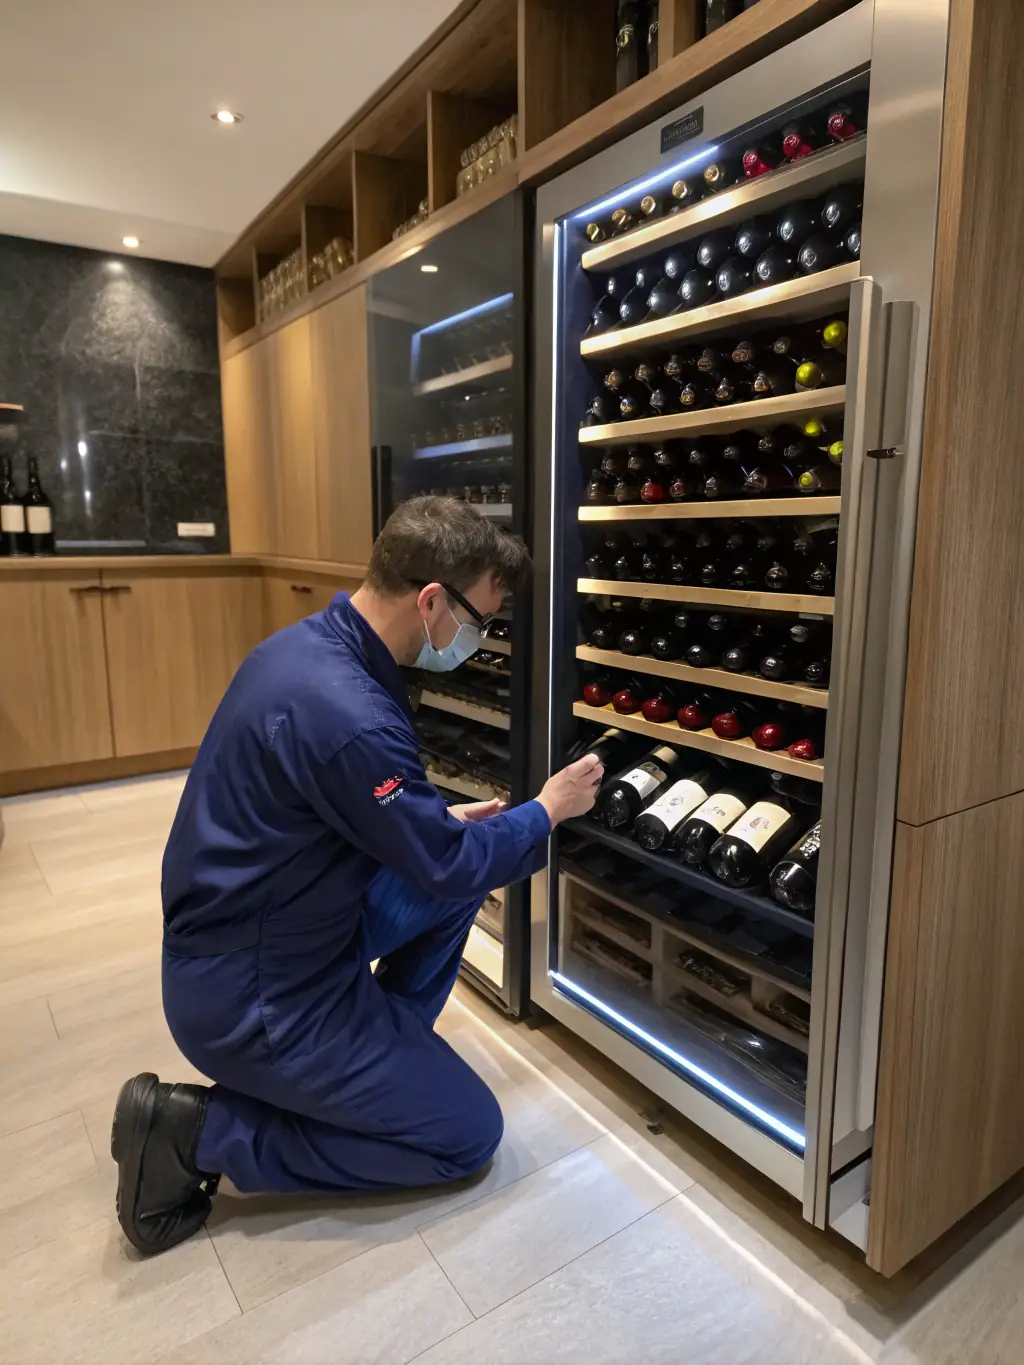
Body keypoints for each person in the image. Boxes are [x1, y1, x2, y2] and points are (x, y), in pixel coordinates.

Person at [112, 496, 603, 1255]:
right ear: (433, 600)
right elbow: (440, 858)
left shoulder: (303, 649)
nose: (478, 640)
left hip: (266, 931)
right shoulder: (353, 713)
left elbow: (365, 825)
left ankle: (372, 1067)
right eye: (480, 622)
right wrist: (547, 811)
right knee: (467, 1136)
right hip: (255, 993)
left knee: (455, 875)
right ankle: (201, 1132)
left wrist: (431, 827)